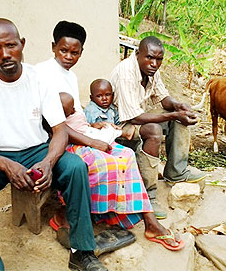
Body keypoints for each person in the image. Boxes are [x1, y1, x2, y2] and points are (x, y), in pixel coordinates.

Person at [0, 18, 107, 271]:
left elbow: (60, 130)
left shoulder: (39, 79)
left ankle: (81, 251)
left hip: (36, 149)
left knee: (75, 168)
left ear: (22, 44)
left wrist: (48, 162)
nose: (5, 54)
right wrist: (6, 165)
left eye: (11, 45)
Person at [36, 21, 184, 251]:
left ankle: (147, 220)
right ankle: (68, 213)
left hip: (81, 132)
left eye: (75, 53)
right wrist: (91, 140)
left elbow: (75, 115)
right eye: (63, 50)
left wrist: (93, 128)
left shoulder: (70, 76)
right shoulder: (42, 74)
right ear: (53, 46)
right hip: (61, 141)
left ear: (81, 52)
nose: (69, 56)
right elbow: (53, 126)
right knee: (101, 160)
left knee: (126, 154)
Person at [110, 36, 206, 219]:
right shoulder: (126, 74)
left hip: (136, 117)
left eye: (159, 59)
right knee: (153, 131)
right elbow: (134, 117)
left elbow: (162, 97)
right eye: (149, 58)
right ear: (138, 54)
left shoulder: (151, 71)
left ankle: (176, 172)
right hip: (118, 127)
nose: (154, 63)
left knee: (181, 117)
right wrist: (171, 114)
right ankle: (148, 194)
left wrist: (178, 106)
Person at [60, 92, 133, 144]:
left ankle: (123, 133)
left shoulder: (71, 117)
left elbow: (83, 124)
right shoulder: (88, 111)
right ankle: (125, 134)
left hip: (89, 130)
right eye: (71, 108)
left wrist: (93, 125)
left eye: (107, 95)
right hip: (86, 135)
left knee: (107, 126)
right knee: (107, 132)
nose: (104, 98)